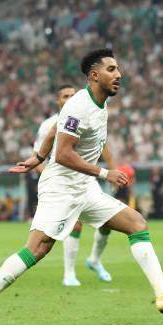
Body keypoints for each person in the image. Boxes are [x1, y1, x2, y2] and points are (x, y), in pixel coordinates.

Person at [0, 49, 163, 325]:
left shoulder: (99, 103)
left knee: (137, 224)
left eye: (118, 69)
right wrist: (104, 173)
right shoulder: (79, 106)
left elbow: (55, 128)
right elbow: (63, 154)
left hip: (84, 187)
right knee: (37, 249)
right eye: (112, 69)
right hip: (61, 187)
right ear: (94, 75)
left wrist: (37, 156)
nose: (119, 74)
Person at [30, 84, 115, 287]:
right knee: (72, 225)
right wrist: (51, 180)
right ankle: (69, 274)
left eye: (72, 95)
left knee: (109, 222)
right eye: (65, 96)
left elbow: (104, 148)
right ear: (58, 101)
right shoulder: (49, 125)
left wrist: (114, 170)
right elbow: (38, 157)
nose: (69, 99)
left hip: (87, 179)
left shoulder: (90, 115)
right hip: (64, 182)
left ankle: (94, 260)